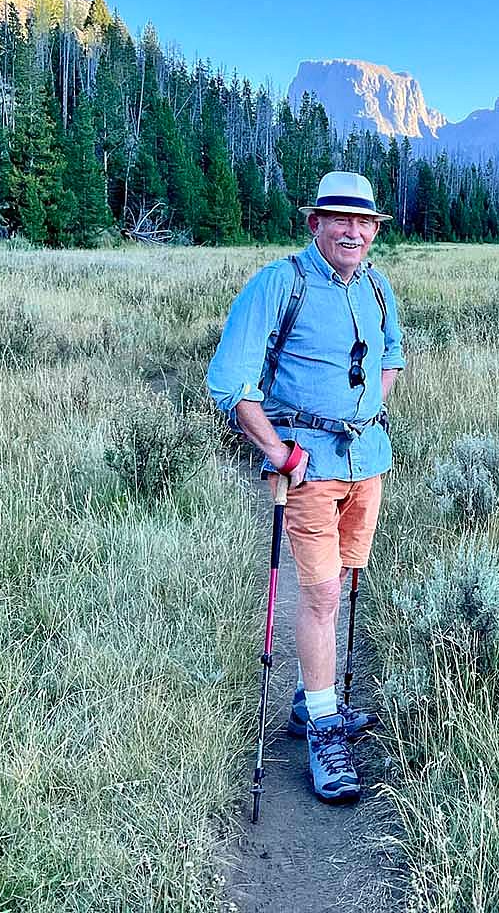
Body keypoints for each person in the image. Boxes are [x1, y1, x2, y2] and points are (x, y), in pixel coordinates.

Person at [206, 171, 405, 804]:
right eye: (340, 219)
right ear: (314, 223)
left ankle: (309, 700)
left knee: (339, 584)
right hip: (309, 468)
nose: (353, 231)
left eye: (364, 222)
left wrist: (367, 412)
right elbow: (229, 380)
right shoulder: (279, 283)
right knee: (320, 595)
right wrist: (278, 451)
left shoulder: (376, 287)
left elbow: (392, 355)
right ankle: (323, 729)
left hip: (366, 461)